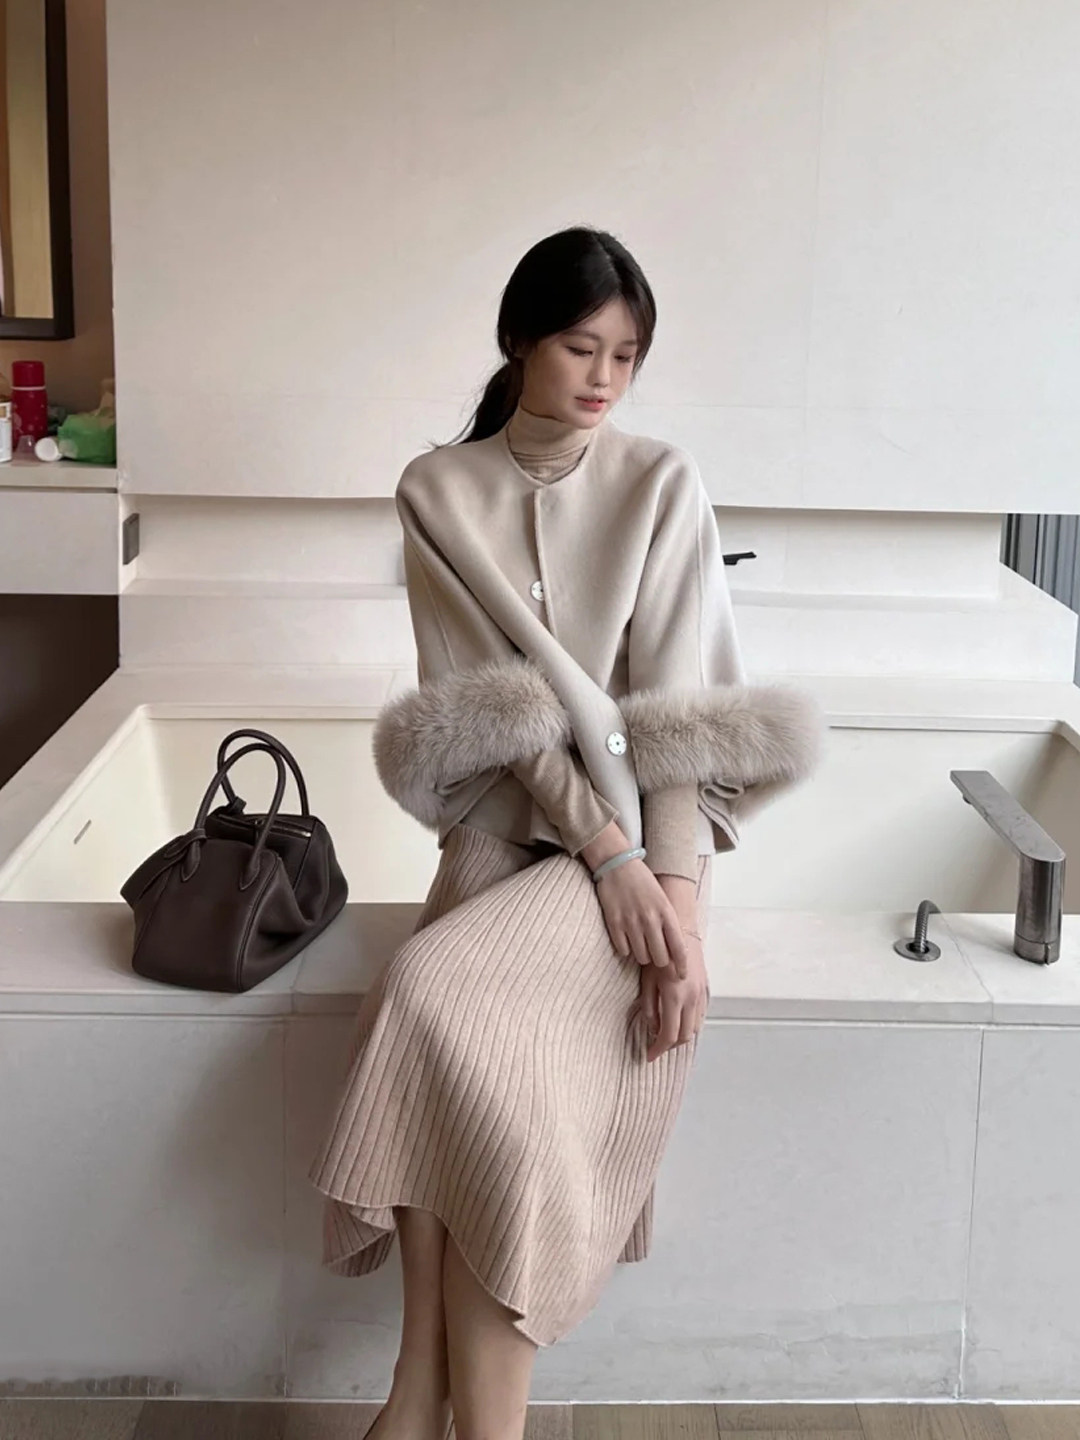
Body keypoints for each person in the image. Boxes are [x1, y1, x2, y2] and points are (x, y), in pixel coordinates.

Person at [306, 227, 823, 1440]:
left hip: (652, 839)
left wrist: (672, 902)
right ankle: (420, 1394)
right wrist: (606, 856)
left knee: (435, 1001)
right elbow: (497, 708)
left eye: (627, 355)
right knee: (450, 1049)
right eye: (582, 346)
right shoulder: (439, 488)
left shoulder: (661, 481)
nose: (604, 378)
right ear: (519, 339)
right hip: (518, 825)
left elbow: (679, 711)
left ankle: (441, 1412)